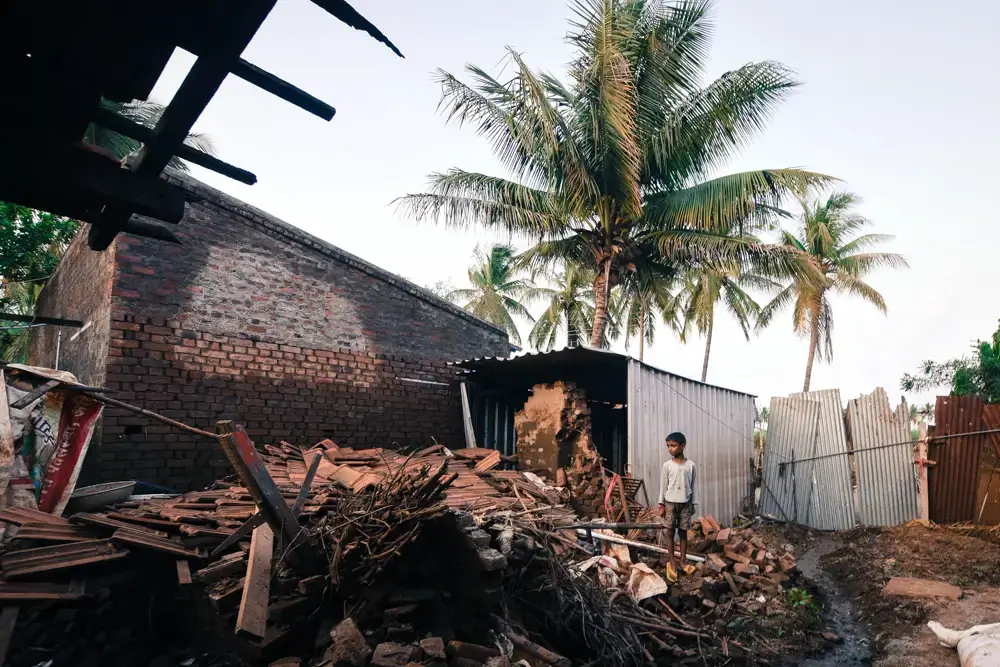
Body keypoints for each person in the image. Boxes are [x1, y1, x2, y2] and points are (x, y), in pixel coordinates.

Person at [658, 431, 696, 582]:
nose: (670, 449)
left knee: (683, 532)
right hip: (670, 502)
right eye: (668, 446)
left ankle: (683, 561)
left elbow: (693, 486)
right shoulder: (667, 466)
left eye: (673, 445)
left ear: (682, 446)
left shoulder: (691, 465)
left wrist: (692, 504)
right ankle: (672, 561)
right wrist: (661, 504)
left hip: (685, 503)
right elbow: (663, 486)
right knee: (669, 531)